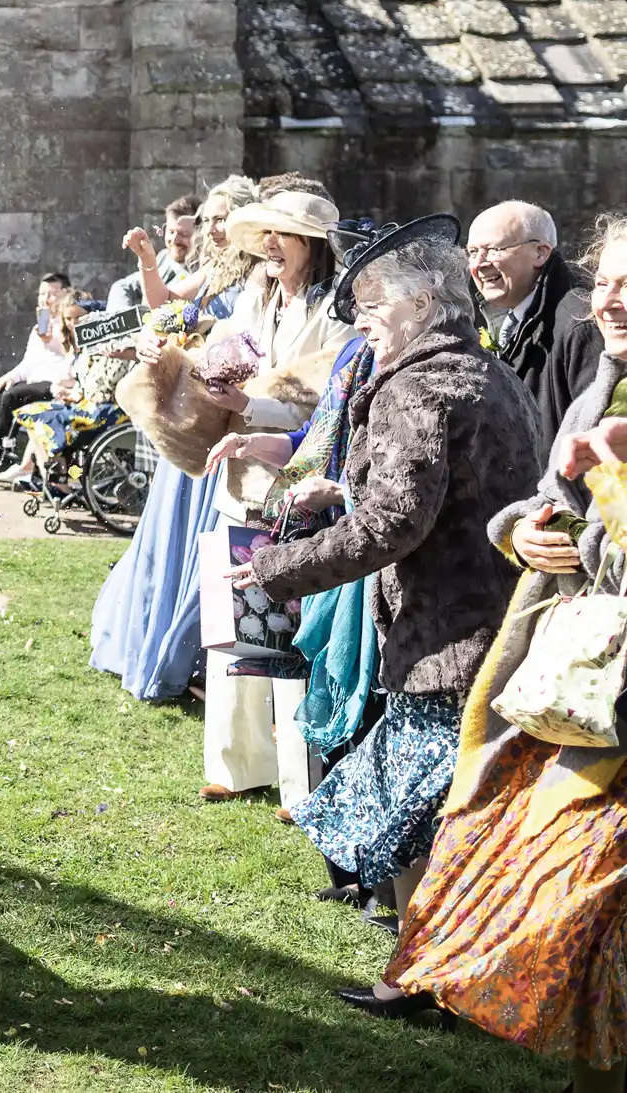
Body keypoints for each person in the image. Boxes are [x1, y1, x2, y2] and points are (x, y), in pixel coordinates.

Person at [220, 218, 539, 946]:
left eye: (372, 304)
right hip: (489, 626)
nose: (359, 320)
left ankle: (422, 970)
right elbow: (438, 497)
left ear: (423, 305)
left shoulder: (418, 387)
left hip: (445, 639)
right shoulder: (487, 373)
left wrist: (276, 569)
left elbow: (394, 524)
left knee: (408, 814)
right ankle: (419, 962)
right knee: (417, 811)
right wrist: (342, 493)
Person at [379, 217, 627, 1092]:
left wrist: (601, 520)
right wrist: (525, 530)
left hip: (609, 698)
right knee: (559, 892)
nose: (613, 299)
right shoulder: (609, 372)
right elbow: (543, 505)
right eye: (607, 281)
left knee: (583, 895)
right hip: (582, 686)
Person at [198, 176, 354, 807]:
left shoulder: (338, 312)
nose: (269, 245)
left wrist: (250, 405)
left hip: (298, 481)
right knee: (230, 620)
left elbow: (327, 406)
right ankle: (237, 765)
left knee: (289, 627)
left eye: (282, 234)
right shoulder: (255, 297)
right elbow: (224, 350)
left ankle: (299, 781)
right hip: (235, 474)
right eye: (265, 232)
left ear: (312, 244)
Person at [89, 176, 261, 700]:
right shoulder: (214, 270)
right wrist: (146, 255)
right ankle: (169, 648)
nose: (212, 227)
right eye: (208, 217)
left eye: (222, 217)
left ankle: (199, 656)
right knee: (174, 533)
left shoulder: (259, 276)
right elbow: (164, 306)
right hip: (193, 421)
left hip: (231, 419)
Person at [467, 199, 605, 436]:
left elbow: (597, 433)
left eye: (493, 249)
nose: (479, 263)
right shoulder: (490, 316)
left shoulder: (579, 320)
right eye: (472, 252)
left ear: (540, 253)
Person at [0, 291, 132, 492]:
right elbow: (82, 378)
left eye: (79, 317)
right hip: (80, 398)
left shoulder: (110, 342)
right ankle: (51, 477)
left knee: (44, 417)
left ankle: (58, 481)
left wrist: (77, 392)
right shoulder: (75, 341)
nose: (74, 322)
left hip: (102, 407)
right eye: (69, 318)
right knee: (32, 414)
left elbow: (106, 383)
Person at [0, 272, 73, 475]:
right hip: (34, 383)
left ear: (66, 294)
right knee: (0, 391)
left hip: (57, 384)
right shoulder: (38, 329)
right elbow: (28, 364)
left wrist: (50, 339)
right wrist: (10, 376)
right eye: (42, 294)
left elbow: (69, 350)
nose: (46, 300)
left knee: (13, 396)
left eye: (52, 294)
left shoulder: (71, 324)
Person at [109, 195, 197, 311]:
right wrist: (123, 319)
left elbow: (165, 305)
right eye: (171, 232)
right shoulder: (165, 257)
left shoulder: (201, 270)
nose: (175, 240)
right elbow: (123, 286)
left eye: (184, 234)